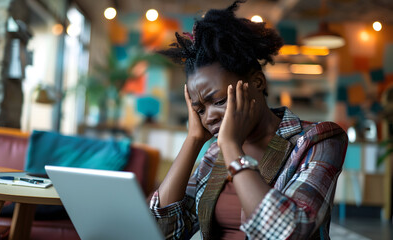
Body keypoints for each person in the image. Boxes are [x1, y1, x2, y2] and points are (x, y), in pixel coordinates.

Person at [149, 1, 348, 239]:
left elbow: (290, 232)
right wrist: (193, 140)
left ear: (257, 83)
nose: (210, 116)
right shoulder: (214, 155)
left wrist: (233, 150)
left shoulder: (316, 140)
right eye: (200, 109)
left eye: (219, 101)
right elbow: (162, 232)